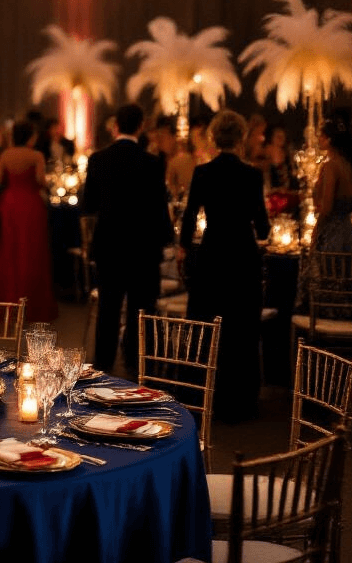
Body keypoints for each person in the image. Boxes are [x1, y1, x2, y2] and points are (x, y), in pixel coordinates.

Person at [178, 109, 270, 422]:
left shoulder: (203, 173)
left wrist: (182, 248)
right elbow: (262, 223)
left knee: (208, 321)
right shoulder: (253, 174)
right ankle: (241, 399)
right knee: (241, 325)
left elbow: (190, 215)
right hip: (242, 254)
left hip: (213, 252)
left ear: (214, 138)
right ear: (241, 137)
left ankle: (201, 394)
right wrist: (265, 235)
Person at [82, 103, 174, 374]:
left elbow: (88, 205)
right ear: (141, 126)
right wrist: (168, 240)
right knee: (141, 309)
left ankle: (103, 366)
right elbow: (160, 207)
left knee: (108, 309)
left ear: (116, 126)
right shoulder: (152, 162)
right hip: (143, 247)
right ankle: (137, 366)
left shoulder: (98, 159)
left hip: (109, 245)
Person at [0, 120, 57, 323]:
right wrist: (48, 184)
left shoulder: (6, 154)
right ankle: (31, 302)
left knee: (10, 249)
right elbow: (41, 180)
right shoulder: (36, 155)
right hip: (31, 204)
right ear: (31, 136)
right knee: (32, 251)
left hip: (11, 203)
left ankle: (10, 299)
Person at [310, 116, 352, 252]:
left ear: (330, 139)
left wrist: (316, 232)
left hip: (332, 234)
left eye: (322, 136)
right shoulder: (347, 165)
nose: (319, 139)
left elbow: (327, 207)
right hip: (348, 231)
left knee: (328, 272)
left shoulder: (330, 166)